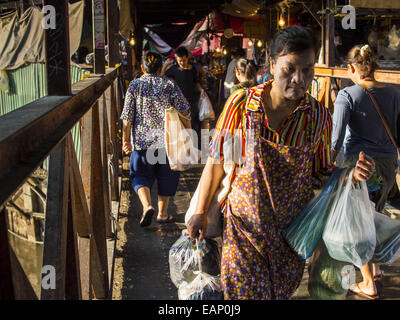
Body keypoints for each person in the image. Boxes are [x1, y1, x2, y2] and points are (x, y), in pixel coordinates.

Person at [186, 26, 375, 300]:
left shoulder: (317, 117)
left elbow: (321, 173)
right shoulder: (242, 106)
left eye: (308, 70)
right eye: (290, 69)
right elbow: (217, 161)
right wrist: (200, 210)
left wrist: (351, 175)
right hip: (243, 233)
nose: (299, 79)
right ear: (273, 65)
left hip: (290, 237)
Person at [332, 44, 400, 299]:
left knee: (358, 222)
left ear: (351, 68)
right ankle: (378, 268)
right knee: (376, 214)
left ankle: (368, 282)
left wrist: (327, 168)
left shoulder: (347, 95)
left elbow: (335, 140)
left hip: (360, 166)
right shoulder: (394, 95)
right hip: (388, 165)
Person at [121, 51, 191, 227]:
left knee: (140, 175)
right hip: (167, 143)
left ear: (143, 68)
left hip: (142, 143)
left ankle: (146, 206)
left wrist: (125, 140)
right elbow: (184, 110)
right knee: (167, 176)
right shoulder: (169, 84)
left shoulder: (135, 86)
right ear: (161, 69)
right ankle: (162, 213)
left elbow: (127, 117)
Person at [162, 47, 204, 134]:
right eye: (179, 60)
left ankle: (190, 145)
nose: (182, 62)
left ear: (187, 57)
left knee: (190, 125)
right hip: (177, 103)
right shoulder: (173, 69)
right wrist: (165, 65)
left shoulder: (193, 69)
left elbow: (196, 83)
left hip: (191, 102)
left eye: (184, 60)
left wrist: (202, 91)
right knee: (179, 127)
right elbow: (162, 78)